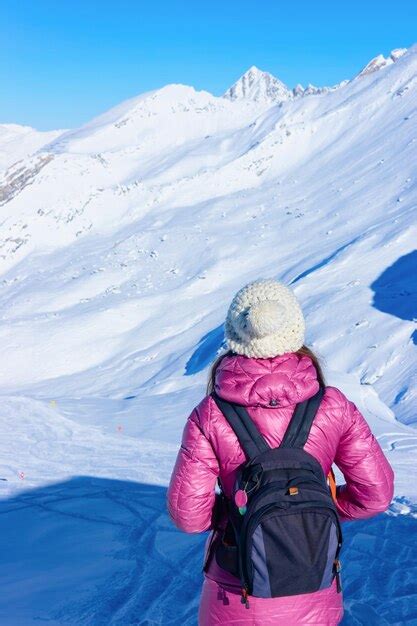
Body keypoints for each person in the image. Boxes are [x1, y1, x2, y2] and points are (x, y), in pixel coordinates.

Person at [167, 279, 394, 625]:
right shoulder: (334, 407)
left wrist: (243, 514)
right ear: (294, 332)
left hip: (237, 585)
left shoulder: (210, 414)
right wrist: (311, 510)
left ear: (236, 335)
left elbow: (189, 515)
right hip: (313, 575)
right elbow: (376, 495)